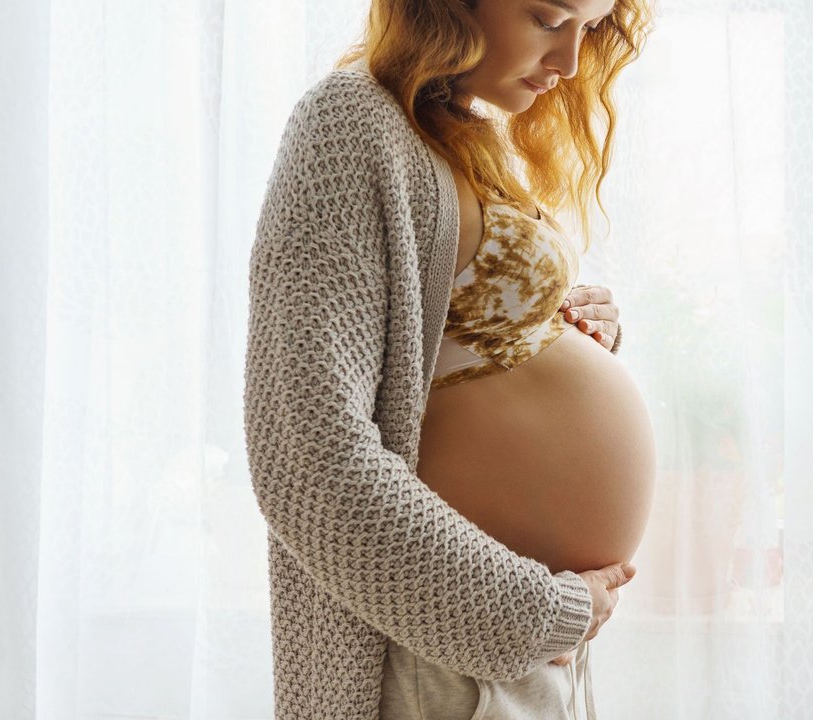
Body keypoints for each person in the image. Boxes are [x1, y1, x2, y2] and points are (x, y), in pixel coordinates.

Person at [242, 0, 657, 717]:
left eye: (589, 29)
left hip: (512, 660)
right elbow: (304, 454)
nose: (568, 60)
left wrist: (569, 326)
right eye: (548, 17)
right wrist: (530, 613)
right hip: (437, 662)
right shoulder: (350, 125)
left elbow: (447, 345)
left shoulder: (463, 132)